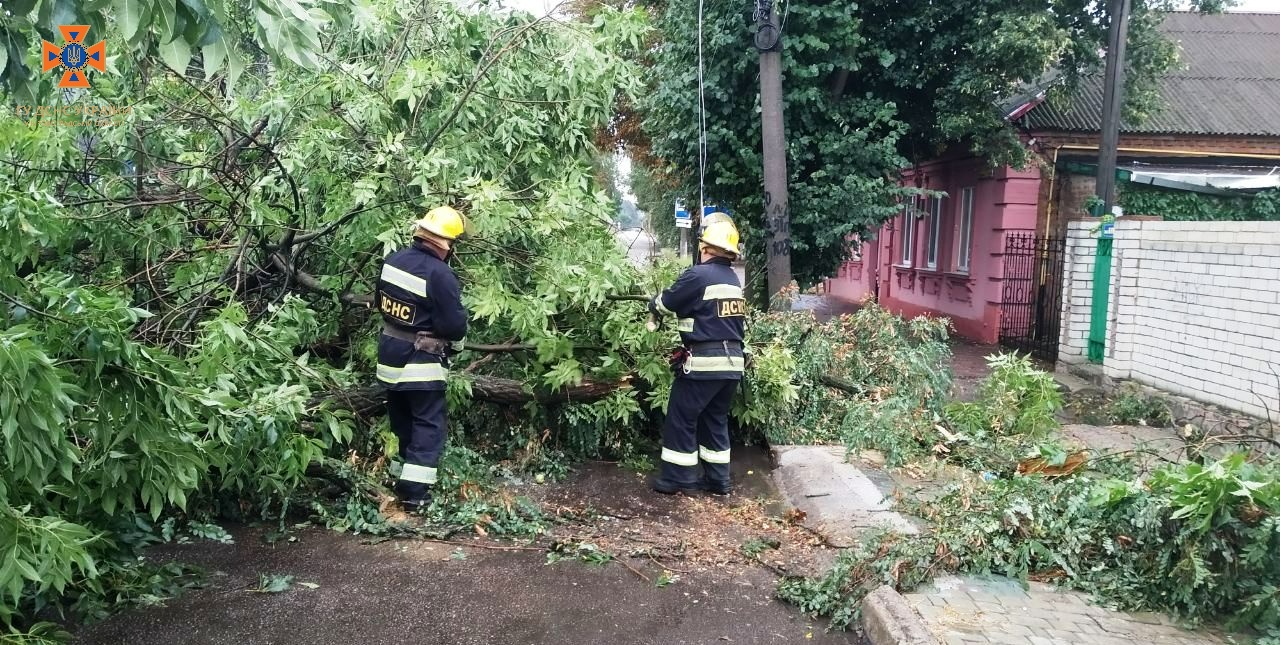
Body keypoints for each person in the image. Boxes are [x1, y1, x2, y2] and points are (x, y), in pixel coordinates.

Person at [375, 206, 468, 511]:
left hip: (389, 357)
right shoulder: (440, 273)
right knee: (428, 427)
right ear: (446, 244)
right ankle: (415, 496)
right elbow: (454, 326)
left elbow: (381, 304)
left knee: (403, 424)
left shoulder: (392, 260)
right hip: (420, 364)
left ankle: (402, 478)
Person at [648, 217, 748, 495]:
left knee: (682, 417)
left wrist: (651, 304)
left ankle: (677, 479)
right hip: (733, 365)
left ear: (706, 248)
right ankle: (719, 481)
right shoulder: (733, 280)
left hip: (704, 364)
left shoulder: (698, 275)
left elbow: (667, 303)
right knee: (714, 419)